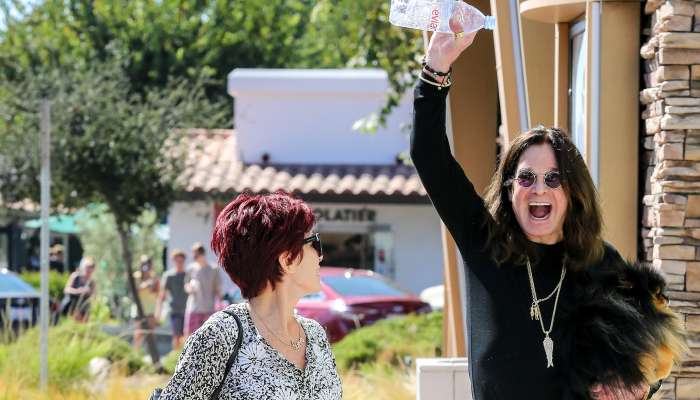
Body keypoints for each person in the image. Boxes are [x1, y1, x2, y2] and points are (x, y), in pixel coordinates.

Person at [411, 28, 686, 400]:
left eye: (553, 178)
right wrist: (435, 68)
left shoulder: (602, 263)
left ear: (572, 193)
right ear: (509, 190)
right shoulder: (484, 242)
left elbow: (655, 355)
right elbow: (429, 155)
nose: (539, 188)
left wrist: (640, 386)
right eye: (526, 177)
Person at [159, 191, 342, 399]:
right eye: (314, 243)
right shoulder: (222, 335)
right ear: (287, 259)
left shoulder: (315, 334)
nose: (320, 255)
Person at [183, 243, 221, 336]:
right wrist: (189, 288)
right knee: (188, 334)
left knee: (208, 336)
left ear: (202, 254)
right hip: (193, 308)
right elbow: (186, 285)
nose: (194, 257)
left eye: (195, 255)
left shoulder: (213, 269)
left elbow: (218, 289)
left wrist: (219, 306)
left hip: (209, 309)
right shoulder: (190, 268)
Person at [156, 249, 189, 349]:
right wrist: (158, 312)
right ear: (174, 261)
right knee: (176, 336)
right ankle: (175, 359)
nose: (179, 263)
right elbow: (162, 294)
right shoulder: (168, 276)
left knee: (187, 336)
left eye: (181, 261)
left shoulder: (188, 275)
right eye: (177, 261)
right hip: (174, 310)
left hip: (187, 310)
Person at [133, 255, 160, 352]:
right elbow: (134, 291)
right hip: (139, 310)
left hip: (150, 310)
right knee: (138, 334)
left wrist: (153, 284)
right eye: (143, 263)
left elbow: (157, 293)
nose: (145, 266)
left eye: (147, 263)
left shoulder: (154, 278)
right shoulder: (136, 276)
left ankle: (153, 356)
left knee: (150, 335)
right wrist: (145, 285)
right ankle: (136, 354)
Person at [61, 256, 96, 321]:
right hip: (72, 305)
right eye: (88, 266)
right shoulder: (76, 276)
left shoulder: (92, 282)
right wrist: (79, 291)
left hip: (84, 308)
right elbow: (66, 289)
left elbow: (94, 296)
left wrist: (89, 293)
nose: (89, 269)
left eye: (91, 267)